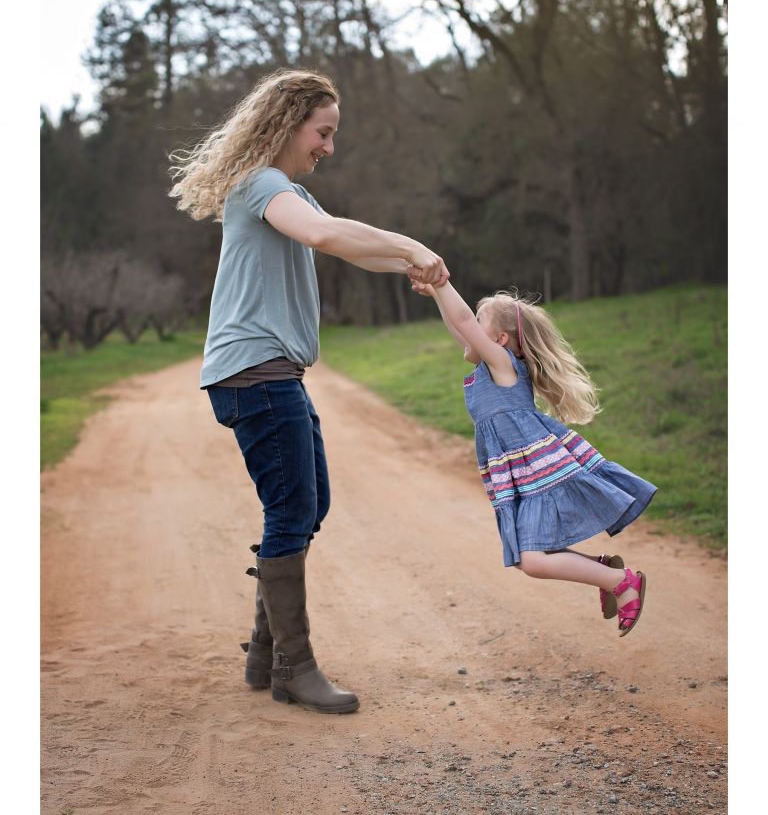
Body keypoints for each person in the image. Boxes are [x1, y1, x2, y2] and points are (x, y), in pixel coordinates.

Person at [170, 69, 449, 713]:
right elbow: (327, 236)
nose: (329, 146)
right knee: (294, 509)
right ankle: (293, 668)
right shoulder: (264, 185)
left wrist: (413, 266)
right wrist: (414, 244)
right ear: (288, 124)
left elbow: (350, 247)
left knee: (307, 503)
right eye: (322, 132)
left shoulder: (284, 192)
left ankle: (266, 654)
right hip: (256, 371)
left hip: (266, 373)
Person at [407, 278, 656, 636]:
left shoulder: (503, 364)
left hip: (537, 468)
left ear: (500, 340)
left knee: (533, 560)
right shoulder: (490, 363)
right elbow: (462, 329)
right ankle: (603, 571)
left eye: (480, 321)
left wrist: (443, 284)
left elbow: (463, 323)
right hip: (519, 473)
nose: (469, 331)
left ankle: (622, 581)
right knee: (529, 559)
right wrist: (436, 297)